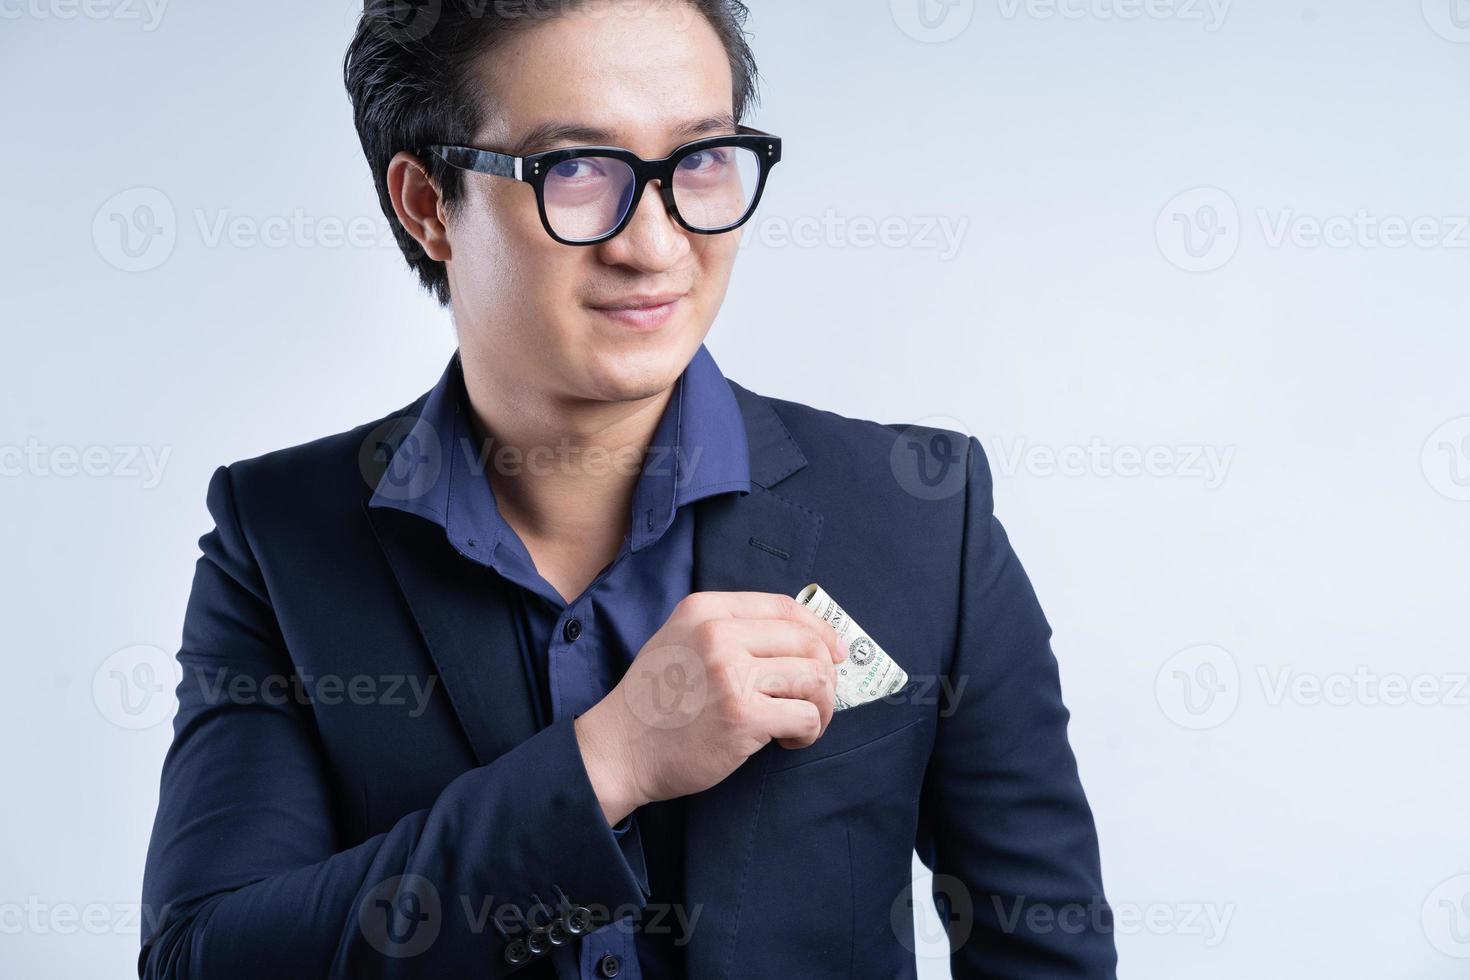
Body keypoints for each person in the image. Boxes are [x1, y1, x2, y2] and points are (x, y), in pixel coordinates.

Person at [139, 1, 1116, 976]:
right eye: (575, 170)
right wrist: (608, 760)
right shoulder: (279, 541)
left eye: (698, 160)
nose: (654, 245)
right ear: (428, 204)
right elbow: (203, 956)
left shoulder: (920, 518)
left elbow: (1046, 951)